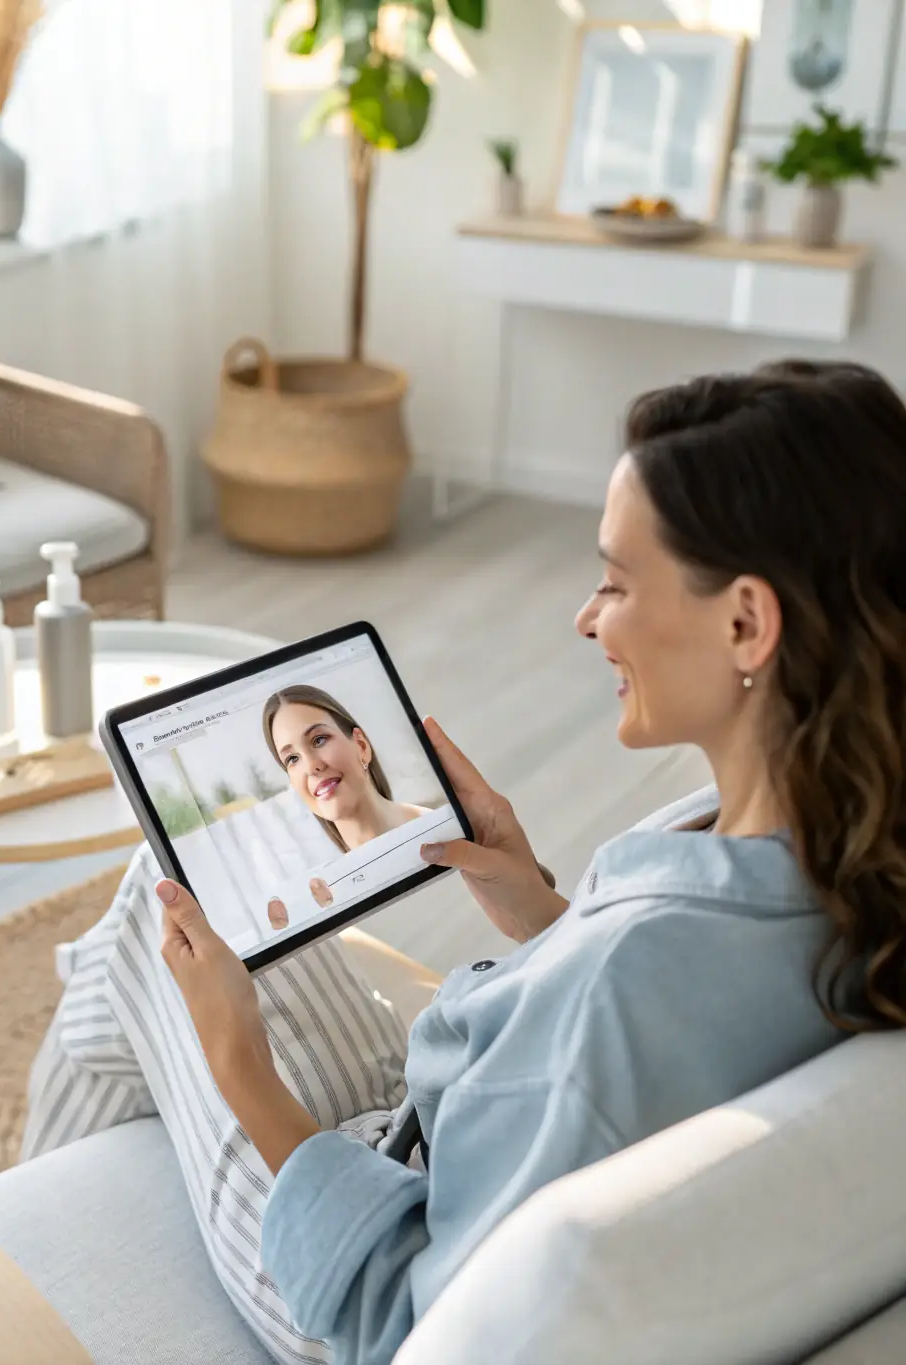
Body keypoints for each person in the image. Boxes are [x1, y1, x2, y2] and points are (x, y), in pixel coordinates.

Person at [81, 359, 906, 1365]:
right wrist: (545, 915)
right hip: (446, 1143)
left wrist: (239, 1069)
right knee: (172, 939)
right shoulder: (856, 850)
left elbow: (409, 1321)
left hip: (351, 1280)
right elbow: (675, 1021)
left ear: (744, 621)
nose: (586, 617)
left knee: (146, 916)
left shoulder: (620, 992)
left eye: (612, 580)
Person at [260, 685, 429, 929]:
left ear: (361, 745)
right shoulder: (325, 895)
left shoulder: (439, 830)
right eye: (292, 759)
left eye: (319, 740)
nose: (311, 766)